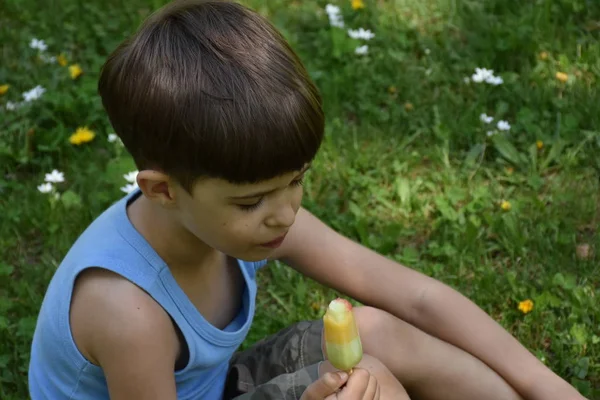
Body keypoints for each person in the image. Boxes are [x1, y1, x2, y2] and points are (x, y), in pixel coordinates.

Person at [28, 1, 586, 399]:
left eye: (296, 180)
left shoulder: (243, 217)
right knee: (378, 391)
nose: (285, 212)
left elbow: (416, 298)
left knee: (379, 332)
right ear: (161, 190)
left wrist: (546, 386)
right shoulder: (128, 310)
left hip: (215, 386)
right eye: (251, 201)